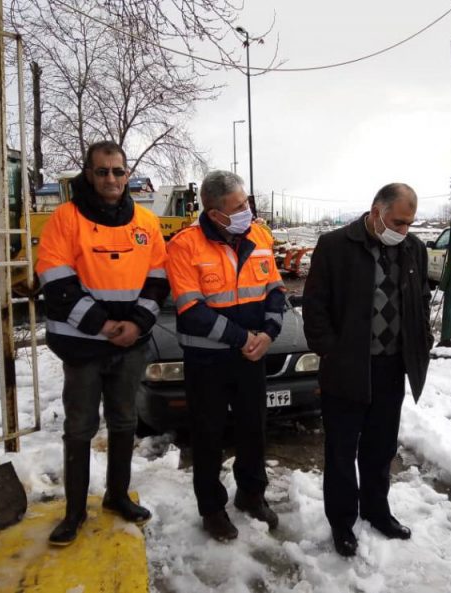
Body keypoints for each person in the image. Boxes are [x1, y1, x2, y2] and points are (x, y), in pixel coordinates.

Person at [37, 141, 169, 546]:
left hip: (130, 345)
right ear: (89, 175)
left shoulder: (147, 222)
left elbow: (159, 279)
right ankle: (75, 512)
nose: (111, 178)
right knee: (79, 427)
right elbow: (55, 279)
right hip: (82, 347)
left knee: (125, 422)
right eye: (102, 171)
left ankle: (116, 496)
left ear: (128, 175)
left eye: (118, 171)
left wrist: (137, 323)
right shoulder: (65, 219)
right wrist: (106, 324)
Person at [302, 183, 433, 557]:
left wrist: (420, 337)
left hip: (391, 367)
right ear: (376, 211)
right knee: (342, 451)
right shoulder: (335, 245)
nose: (403, 230)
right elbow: (315, 306)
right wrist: (332, 352)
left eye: (409, 223)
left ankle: (378, 511)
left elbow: (420, 298)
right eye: (398, 222)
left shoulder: (414, 249)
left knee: (380, 448)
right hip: (347, 369)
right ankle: (342, 522)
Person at [166, 170, 286, 542]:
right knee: (207, 436)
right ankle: (212, 509)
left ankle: (252, 495)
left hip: (252, 357)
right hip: (207, 364)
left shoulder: (260, 235)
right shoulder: (184, 245)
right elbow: (191, 310)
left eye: (246, 202)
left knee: (254, 429)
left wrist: (268, 334)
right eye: (238, 206)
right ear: (215, 213)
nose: (247, 210)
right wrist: (242, 338)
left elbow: (275, 290)